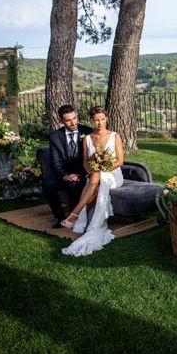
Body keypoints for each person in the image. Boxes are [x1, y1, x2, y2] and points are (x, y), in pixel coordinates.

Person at [60, 106, 124, 257]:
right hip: (95, 174)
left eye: (102, 119)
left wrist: (102, 167)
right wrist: (90, 170)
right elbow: (85, 162)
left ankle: (74, 213)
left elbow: (120, 161)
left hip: (113, 173)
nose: (100, 123)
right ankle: (80, 216)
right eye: (96, 120)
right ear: (92, 121)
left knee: (96, 177)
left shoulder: (115, 136)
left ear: (106, 119)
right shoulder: (87, 138)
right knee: (95, 178)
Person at [43, 105, 93, 228]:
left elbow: (92, 158)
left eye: (74, 118)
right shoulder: (55, 136)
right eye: (68, 120)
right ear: (61, 121)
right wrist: (65, 175)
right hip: (63, 172)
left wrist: (80, 174)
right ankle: (59, 216)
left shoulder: (88, 132)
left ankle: (73, 216)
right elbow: (55, 162)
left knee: (74, 183)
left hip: (83, 170)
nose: (73, 123)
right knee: (47, 183)